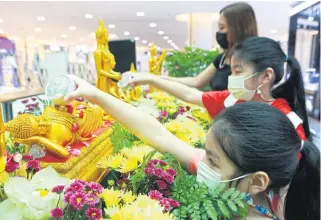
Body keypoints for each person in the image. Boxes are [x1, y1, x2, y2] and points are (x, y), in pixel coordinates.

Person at [64, 77, 319, 220]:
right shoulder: (240, 186)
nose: (201, 164)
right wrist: (95, 94)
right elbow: (158, 134)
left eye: (212, 160)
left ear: (257, 181)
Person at [128, 37, 311, 140]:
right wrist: (152, 79)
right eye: (231, 71)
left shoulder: (287, 122)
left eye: (238, 71)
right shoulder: (232, 100)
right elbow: (190, 94)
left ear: (266, 76)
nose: (232, 78)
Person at [149, 2, 258, 91]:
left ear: (237, 28)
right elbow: (196, 81)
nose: (219, 32)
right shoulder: (222, 59)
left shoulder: (253, 60)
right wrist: (159, 79)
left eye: (222, 27)